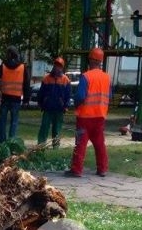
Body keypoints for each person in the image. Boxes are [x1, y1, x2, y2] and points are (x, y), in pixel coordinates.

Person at [66, 47, 110, 178]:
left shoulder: (86, 77)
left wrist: (75, 104)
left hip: (85, 117)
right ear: (100, 61)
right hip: (100, 116)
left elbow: (80, 96)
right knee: (100, 144)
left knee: (80, 144)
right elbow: (109, 95)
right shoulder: (107, 78)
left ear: (90, 60)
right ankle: (102, 169)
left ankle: (77, 169)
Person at [0, 46, 30, 143]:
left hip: (4, 99)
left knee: (2, 122)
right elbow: (26, 84)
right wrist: (26, 100)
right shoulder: (22, 67)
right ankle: (11, 142)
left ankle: (2, 142)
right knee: (14, 122)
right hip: (16, 99)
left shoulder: (3, 66)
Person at [37, 56, 71, 148]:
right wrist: (40, 103)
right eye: (56, 65)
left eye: (59, 66)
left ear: (62, 67)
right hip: (47, 108)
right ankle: (40, 146)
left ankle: (56, 146)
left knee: (57, 129)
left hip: (59, 109)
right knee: (44, 128)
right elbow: (41, 93)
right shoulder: (46, 79)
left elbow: (68, 95)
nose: (57, 67)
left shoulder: (65, 80)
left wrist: (66, 106)